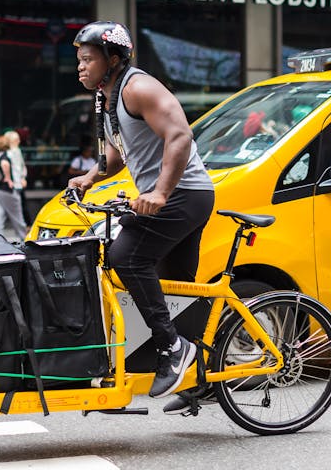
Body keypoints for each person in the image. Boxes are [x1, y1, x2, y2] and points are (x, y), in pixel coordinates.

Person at [68, 21, 215, 404]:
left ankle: (173, 347)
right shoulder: (109, 95)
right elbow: (120, 152)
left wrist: (161, 193)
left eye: (88, 59)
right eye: (78, 60)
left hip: (185, 194)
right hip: (180, 197)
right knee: (175, 288)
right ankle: (199, 377)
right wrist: (90, 176)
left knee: (126, 256)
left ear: (113, 58)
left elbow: (180, 135)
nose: (80, 67)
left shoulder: (138, 87)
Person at [0, 135, 27, 240]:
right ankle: (24, 240)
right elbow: (5, 164)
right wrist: (8, 178)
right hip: (6, 190)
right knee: (17, 218)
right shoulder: (8, 154)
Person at [5, 129, 30, 225]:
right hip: (14, 183)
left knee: (21, 204)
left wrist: (23, 178)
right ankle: (25, 224)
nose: (19, 141)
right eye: (16, 140)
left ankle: (26, 225)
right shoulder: (10, 152)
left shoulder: (16, 151)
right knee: (19, 205)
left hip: (17, 183)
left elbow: (21, 167)